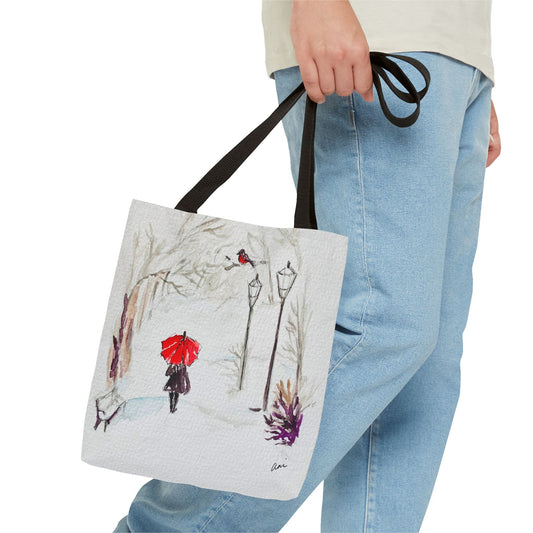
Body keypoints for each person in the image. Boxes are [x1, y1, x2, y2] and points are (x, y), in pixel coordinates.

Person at [114, 1, 501, 531]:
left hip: (453, 52)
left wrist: (468, 62)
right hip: (376, 31)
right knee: (377, 329)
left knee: (422, 373)